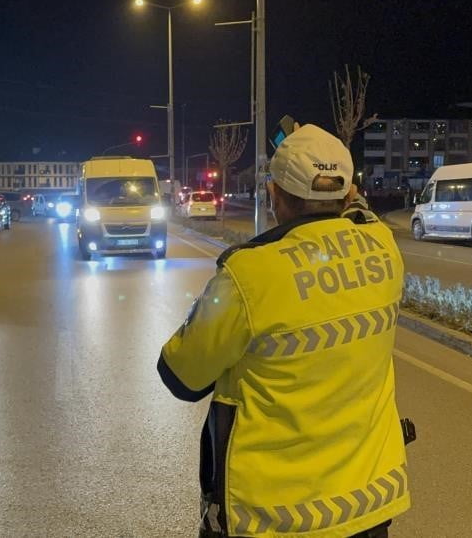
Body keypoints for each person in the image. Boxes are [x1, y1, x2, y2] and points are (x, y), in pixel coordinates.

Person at [158, 124, 410, 538]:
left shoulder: (250, 273)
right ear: (347, 193)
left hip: (276, 516)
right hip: (371, 501)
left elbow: (181, 375)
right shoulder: (383, 247)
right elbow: (359, 213)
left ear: (274, 195)